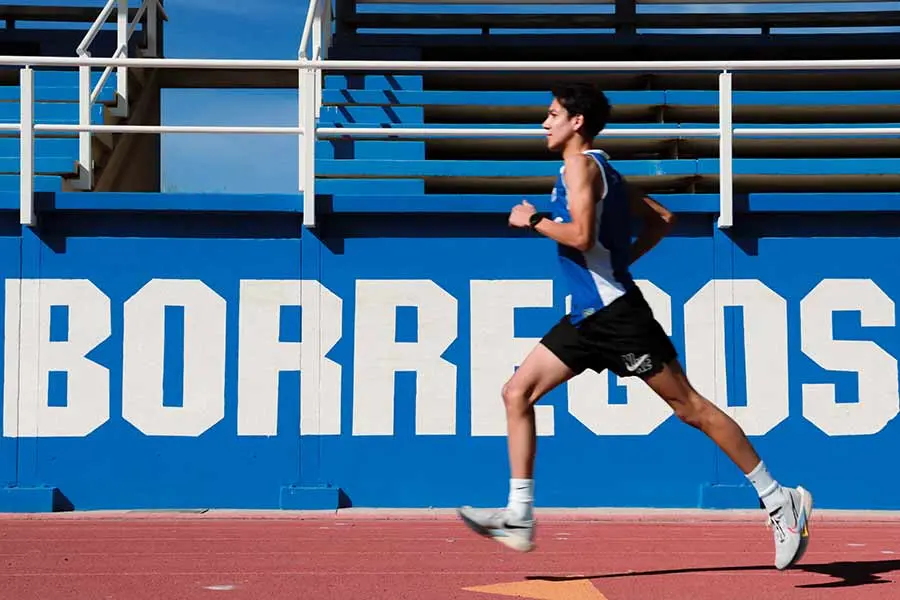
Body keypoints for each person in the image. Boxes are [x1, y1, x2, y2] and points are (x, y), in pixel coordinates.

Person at [456, 82, 813, 571]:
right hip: (588, 316)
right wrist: (617, 263)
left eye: (552, 114)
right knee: (516, 392)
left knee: (689, 408)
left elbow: (581, 236)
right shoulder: (604, 169)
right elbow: (662, 218)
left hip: (618, 318)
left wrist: (534, 218)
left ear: (576, 122)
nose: (544, 123)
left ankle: (778, 499)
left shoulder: (581, 167)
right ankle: (519, 514)